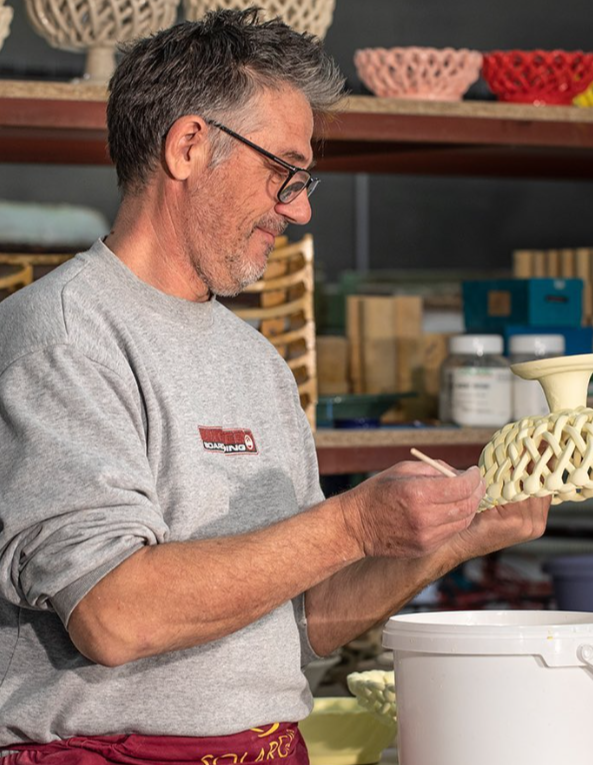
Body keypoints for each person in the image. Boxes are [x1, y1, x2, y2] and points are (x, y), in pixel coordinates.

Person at [0, 8, 550, 764]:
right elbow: (114, 615)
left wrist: (464, 531)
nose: (298, 207)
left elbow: (308, 619)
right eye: (283, 171)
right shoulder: (62, 338)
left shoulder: (254, 358)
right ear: (189, 145)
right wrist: (352, 523)